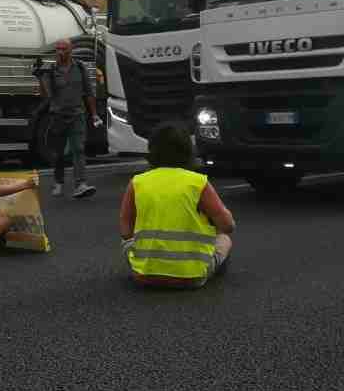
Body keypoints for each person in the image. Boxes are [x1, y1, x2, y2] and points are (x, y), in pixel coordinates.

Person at [119, 122, 236, 288]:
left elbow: (125, 231)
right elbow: (227, 225)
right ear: (188, 151)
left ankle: (149, 264)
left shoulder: (137, 182)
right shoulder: (197, 182)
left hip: (144, 275)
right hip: (192, 277)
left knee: (128, 243)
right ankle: (203, 267)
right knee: (224, 239)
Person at [40, 39, 101, 198]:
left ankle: (80, 184)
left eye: (64, 49)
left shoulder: (80, 68)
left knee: (78, 149)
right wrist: (41, 78)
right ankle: (59, 182)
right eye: (58, 49)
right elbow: (46, 96)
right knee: (59, 153)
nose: (60, 52)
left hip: (77, 115)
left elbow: (89, 93)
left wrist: (94, 114)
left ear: (71, 50)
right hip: (58, 116)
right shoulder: (51, 71)